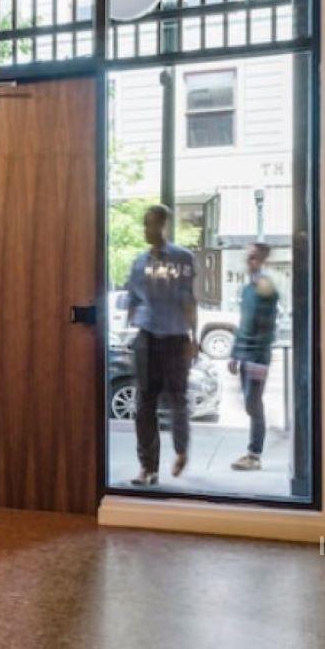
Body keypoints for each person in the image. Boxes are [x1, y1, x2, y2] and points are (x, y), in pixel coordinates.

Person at [124, 205, 198, 486]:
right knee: (144, 403)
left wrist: (194, 337)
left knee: (178, 399)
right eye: (145, 224)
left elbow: (189, 301)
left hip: (176, 338)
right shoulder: (138, 262)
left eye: (152, 224)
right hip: (146, 337)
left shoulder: (183, 258)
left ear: (165, 226)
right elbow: (132, 300)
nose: (147, 229)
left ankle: (180, 451)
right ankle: (148, 467)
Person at [229, 242, 279, 471]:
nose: (250, 261)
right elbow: (244, 323)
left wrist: (256, 356)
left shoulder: (265, 287)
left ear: (263, 260)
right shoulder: (248, 288)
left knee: (253, 403)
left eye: (254, 258)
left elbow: (265, 327)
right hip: (246, 354)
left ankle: (254, 454)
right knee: (250, 403)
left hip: (257, 355)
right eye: (248, 257)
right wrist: (235, 354)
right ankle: (253, 453)